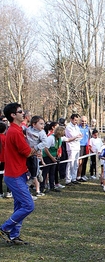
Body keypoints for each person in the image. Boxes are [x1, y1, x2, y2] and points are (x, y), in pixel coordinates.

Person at [0, 103, 37, 245]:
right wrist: (37, 148)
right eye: (20, 112)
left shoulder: (17, 129)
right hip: (14, 175)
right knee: (28, 205)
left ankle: (14, 236)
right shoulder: (15, 131)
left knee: (20, 206)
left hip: (20, 173)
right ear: (13, 115)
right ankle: (4, 228)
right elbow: (27, 152)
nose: (23, 114)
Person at [25, 116, 47, 197]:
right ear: (34, 124)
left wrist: (36, 148)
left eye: (43, 124)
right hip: (27, 153)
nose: (43, 126)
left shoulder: (42, 133)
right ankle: (38, 173)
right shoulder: (28, 129)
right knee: (29, 168)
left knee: (34, 168)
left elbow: (45, 142)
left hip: (35, 153)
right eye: (41, 124)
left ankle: (35, 175)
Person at [65, 114, 83, 186]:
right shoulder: (68, 127)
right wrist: (76, 137)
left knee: (76, 164)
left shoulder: (77, 127)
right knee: (70, 163)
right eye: (75, 120)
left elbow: (80, 136)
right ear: (71, 119)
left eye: (77, 120)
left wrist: (76, 137)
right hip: (71, 147)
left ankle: (74, 178)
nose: (76, 121)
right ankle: (68, 179)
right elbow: (72, 137)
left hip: (77, 146)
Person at [77, 116, 90, 182]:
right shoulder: (78, 128)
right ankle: (78, 175)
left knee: (85, 161)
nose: (83, 122)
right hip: (80, 146)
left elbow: (89, 137)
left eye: (85, 121)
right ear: (80, 121)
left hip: (86, 146)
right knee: (80, 162)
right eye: (82, 121)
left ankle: (83, 174)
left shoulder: (88, 128)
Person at [0, 122, 11, 198]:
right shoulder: (5, 138)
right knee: (8, 175)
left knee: (0, 176)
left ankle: (0, 192)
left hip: (1, 160)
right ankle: (8, 192)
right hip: (5, 159)